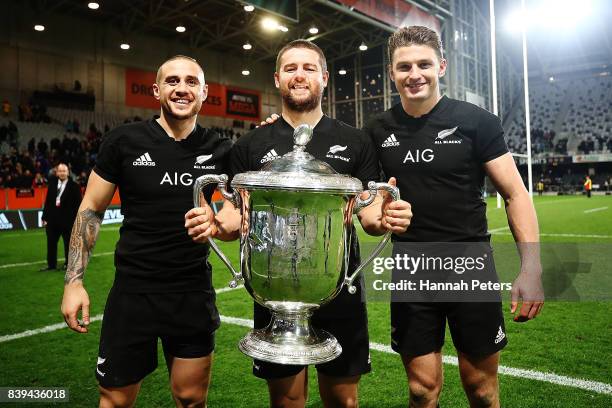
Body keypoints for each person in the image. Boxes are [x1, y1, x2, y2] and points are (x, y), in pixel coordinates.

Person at [185, 40, 412, 408]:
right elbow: (231, 217)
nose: (299, 75)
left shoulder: (355, 141)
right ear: (277, 79)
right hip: (275, 292)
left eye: (308, 68)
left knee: (344, 401)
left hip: (338, 286)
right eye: (290, 68)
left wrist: (386, 217)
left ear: (324, 77)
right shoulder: (250, 145)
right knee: (287, 401)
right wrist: (212, 222)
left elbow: (369, 216)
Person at [364, 26, 544, 408]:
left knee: (481, 389)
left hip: (469, 265)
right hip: (412, 268)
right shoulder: (376, 131)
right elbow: (366, 205)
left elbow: (515, 194)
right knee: (420, 390)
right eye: (404, 66)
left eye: (424, 64)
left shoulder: (478, 122)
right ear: (392, 73)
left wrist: (531, 268)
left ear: (441, 66)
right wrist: (381, 216)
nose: (415, 74)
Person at [60, 55, 233, 407]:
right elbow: (90, 211)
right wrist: (73, 282)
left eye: (190, 82)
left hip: (191, 292)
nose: (181, 89)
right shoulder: (124, 141)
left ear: (204, 92)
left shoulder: (222, 150)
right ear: (156, 90)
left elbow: (236, 218)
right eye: (172, 81)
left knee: (190, 399)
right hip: (133, 293)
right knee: (115, 401)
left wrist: (215, 224)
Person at [40, 162, 81, 271]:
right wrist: (44, 217)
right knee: (51, 244)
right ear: (57, 172)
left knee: (68, 244)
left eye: (64, 171)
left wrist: (76, 221)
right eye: (60, 171)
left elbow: (78, 205)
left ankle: (68, 264)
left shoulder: (74, 186)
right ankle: (51, 265)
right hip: (52, 221)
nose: (62, 173)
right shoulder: (52, 184)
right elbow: (48, 202)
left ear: (68, 173)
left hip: (68, 221)